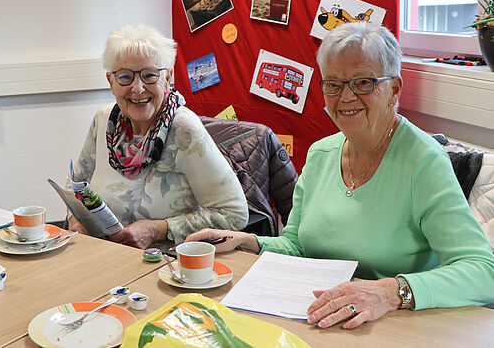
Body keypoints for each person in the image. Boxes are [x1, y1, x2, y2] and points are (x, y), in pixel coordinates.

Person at [187, 22, 494, 329]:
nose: (345, 97)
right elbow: (297, 245)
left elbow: (483, 272)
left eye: (363, 82)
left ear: (395, 89)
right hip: (320, 321)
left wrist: (389, 293)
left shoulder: (424, 162)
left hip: (392, 328)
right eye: (333, 84)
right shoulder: (320, 154)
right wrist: (249, 241)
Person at [69, 24, 248, 249]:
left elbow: (235, 214)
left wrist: (159, 229)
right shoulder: (104, 120)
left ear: (167, 77)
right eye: (125, 76)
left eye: (149, 75)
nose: (138, 88)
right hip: (105, 254)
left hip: (166, 263)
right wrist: (75, 220)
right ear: (111, 81)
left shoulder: (184, 128)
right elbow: (75, 185)